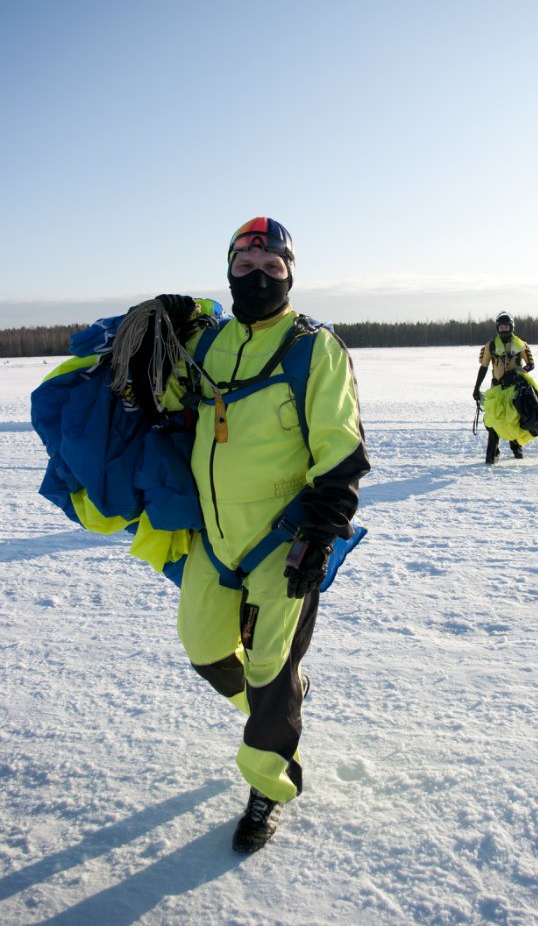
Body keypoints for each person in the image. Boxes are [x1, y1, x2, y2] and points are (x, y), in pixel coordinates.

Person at [130, 217, 370, 853]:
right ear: (229, 270)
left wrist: (320, 534)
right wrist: (162, 332)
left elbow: (341, 449)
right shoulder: (210, 345)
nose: (258, 278)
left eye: (272, 268)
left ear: (290, 273)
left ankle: (270, 782)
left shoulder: (314, 348)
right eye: (246, 267)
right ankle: (282, 703)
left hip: (283, 538)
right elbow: (166, 398)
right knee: (207, 649)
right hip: (215, 537)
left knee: (268, 666)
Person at [472, 311, 536, 464]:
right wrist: (476, 388)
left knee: (514, 419)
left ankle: (516, 447)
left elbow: (531, 365)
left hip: (515, 388)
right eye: (501, 327)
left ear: (512, 327)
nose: (504, 330)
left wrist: (519, 372)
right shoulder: (491, 346)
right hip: (497, 389)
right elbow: (483, 367)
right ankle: (492, 454)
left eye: (506, 327)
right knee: (493, 420)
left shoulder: (521, 345)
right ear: (497, 328)